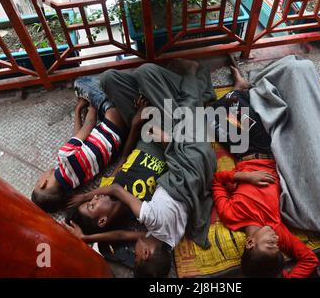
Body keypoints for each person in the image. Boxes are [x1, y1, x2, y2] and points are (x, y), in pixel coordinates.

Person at [64, 58, 216, 278]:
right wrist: (85, 196)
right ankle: (195, 84)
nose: (92, 199)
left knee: (110, 79)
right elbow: (122, 232)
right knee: (148, 75)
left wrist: (135, 123)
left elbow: (125, 157)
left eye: (88, 201)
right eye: (91, 206)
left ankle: (185, 93)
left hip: (146, 131)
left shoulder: (156, 230)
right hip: (173, 142)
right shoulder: (143, 217)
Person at [209, 68, 319, 278]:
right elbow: (309, 259)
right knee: (231, 103)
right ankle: (241, 90)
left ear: (250, 243)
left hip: (240, 153)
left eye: (270, 245)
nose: (275, 241)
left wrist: (244, 177)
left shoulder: (231, 216)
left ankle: (240, 92)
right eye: (277, 246)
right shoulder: (276, 228)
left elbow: (216, 182)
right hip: (264, 148)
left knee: (212, 114)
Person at [32, 79, 134, 213]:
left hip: (121, 134)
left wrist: (78, 110)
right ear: (44, 183)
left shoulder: (76, 181)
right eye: (38, 180)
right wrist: (92, 107)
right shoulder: (65, 156)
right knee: (81, 83)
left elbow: (78, 136)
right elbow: (90, 123)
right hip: (113, 116)